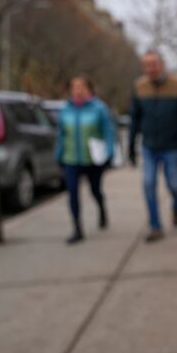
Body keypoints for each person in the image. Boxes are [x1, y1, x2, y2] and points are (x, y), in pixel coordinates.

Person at [128, 50, 177, 243]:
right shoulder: (139, 87)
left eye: (154, 64)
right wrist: (131, 146)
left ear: (162, 65)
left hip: (172, 147)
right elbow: (134, 119)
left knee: (174, 185)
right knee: (148, 184)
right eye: (146, 65)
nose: (150, 68)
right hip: (149, 147)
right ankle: (155, 226)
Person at [55, 76, 115, 244]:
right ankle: (77, 229)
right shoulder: (66, 109)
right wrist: (58, 155)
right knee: (72, 193)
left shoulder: (99, 108)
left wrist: (109, 152)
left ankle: (101, 208)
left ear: (89, 89)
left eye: (81, 86)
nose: (78, 90)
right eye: (74, 87)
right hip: (71, 159)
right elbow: (61, 134)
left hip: (93, 159)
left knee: (94, 190)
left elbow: (108, 131)